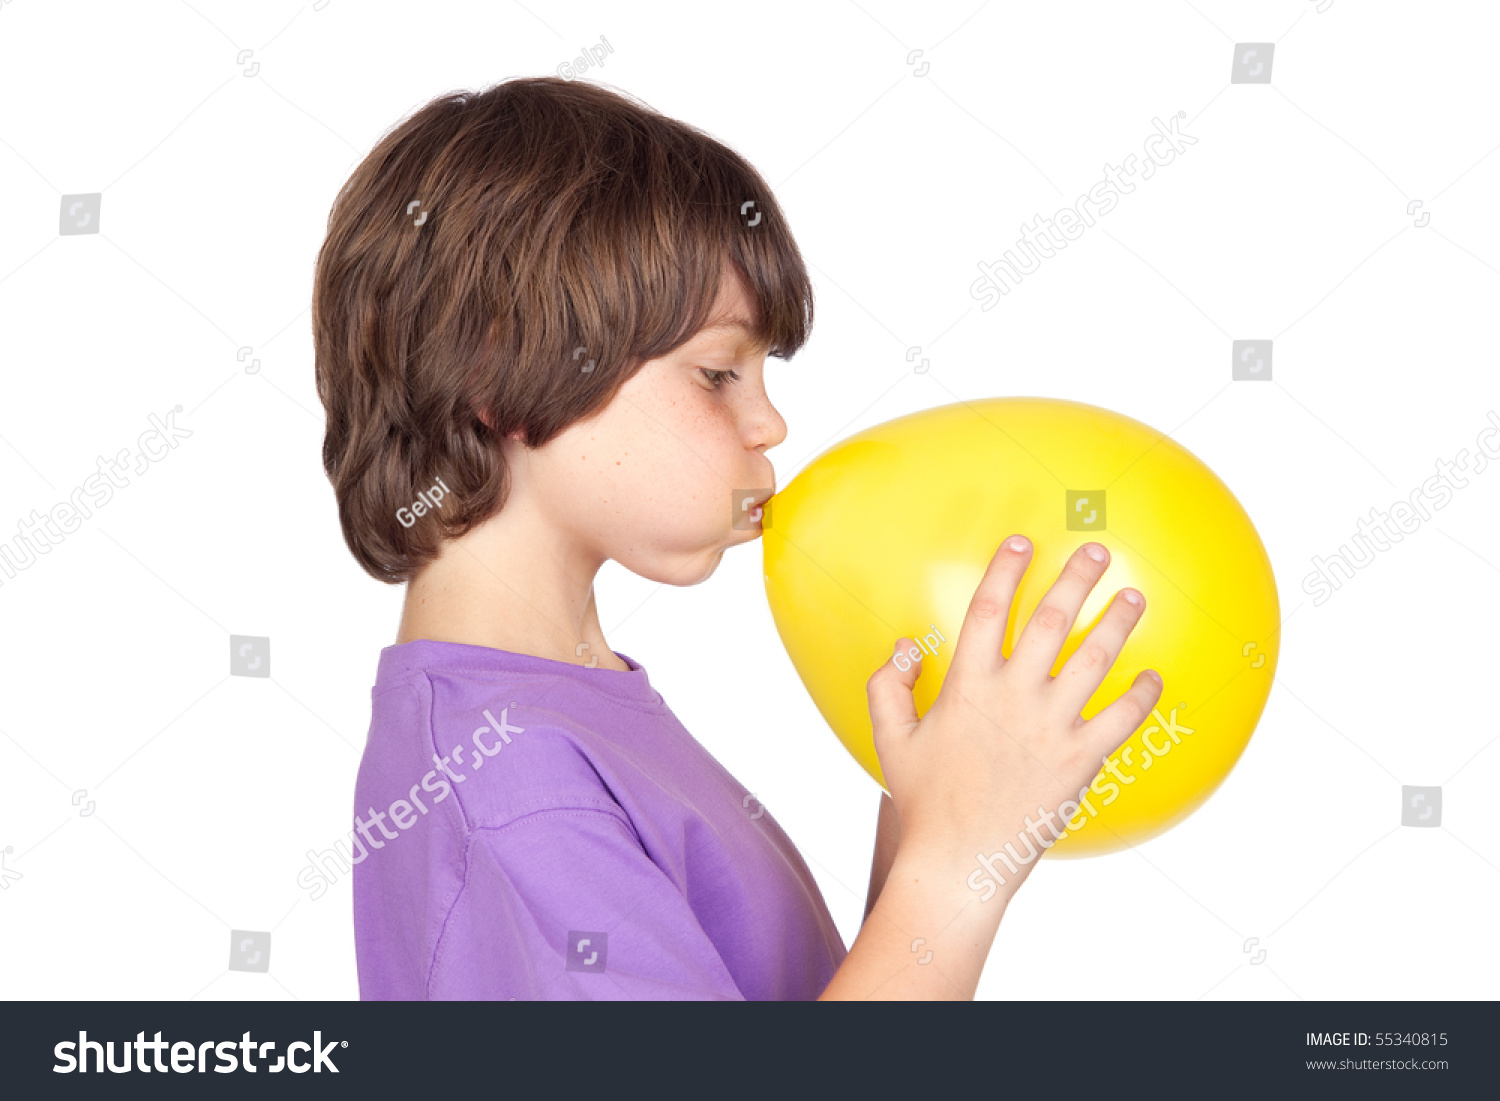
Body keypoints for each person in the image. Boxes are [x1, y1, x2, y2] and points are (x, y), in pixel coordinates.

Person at [312, 76, 1161, 1000]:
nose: (770, 426)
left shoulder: (566, 711)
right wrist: (953, 868)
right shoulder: (512, 782)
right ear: (500, 362)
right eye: (718, 373)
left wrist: (931, 833)